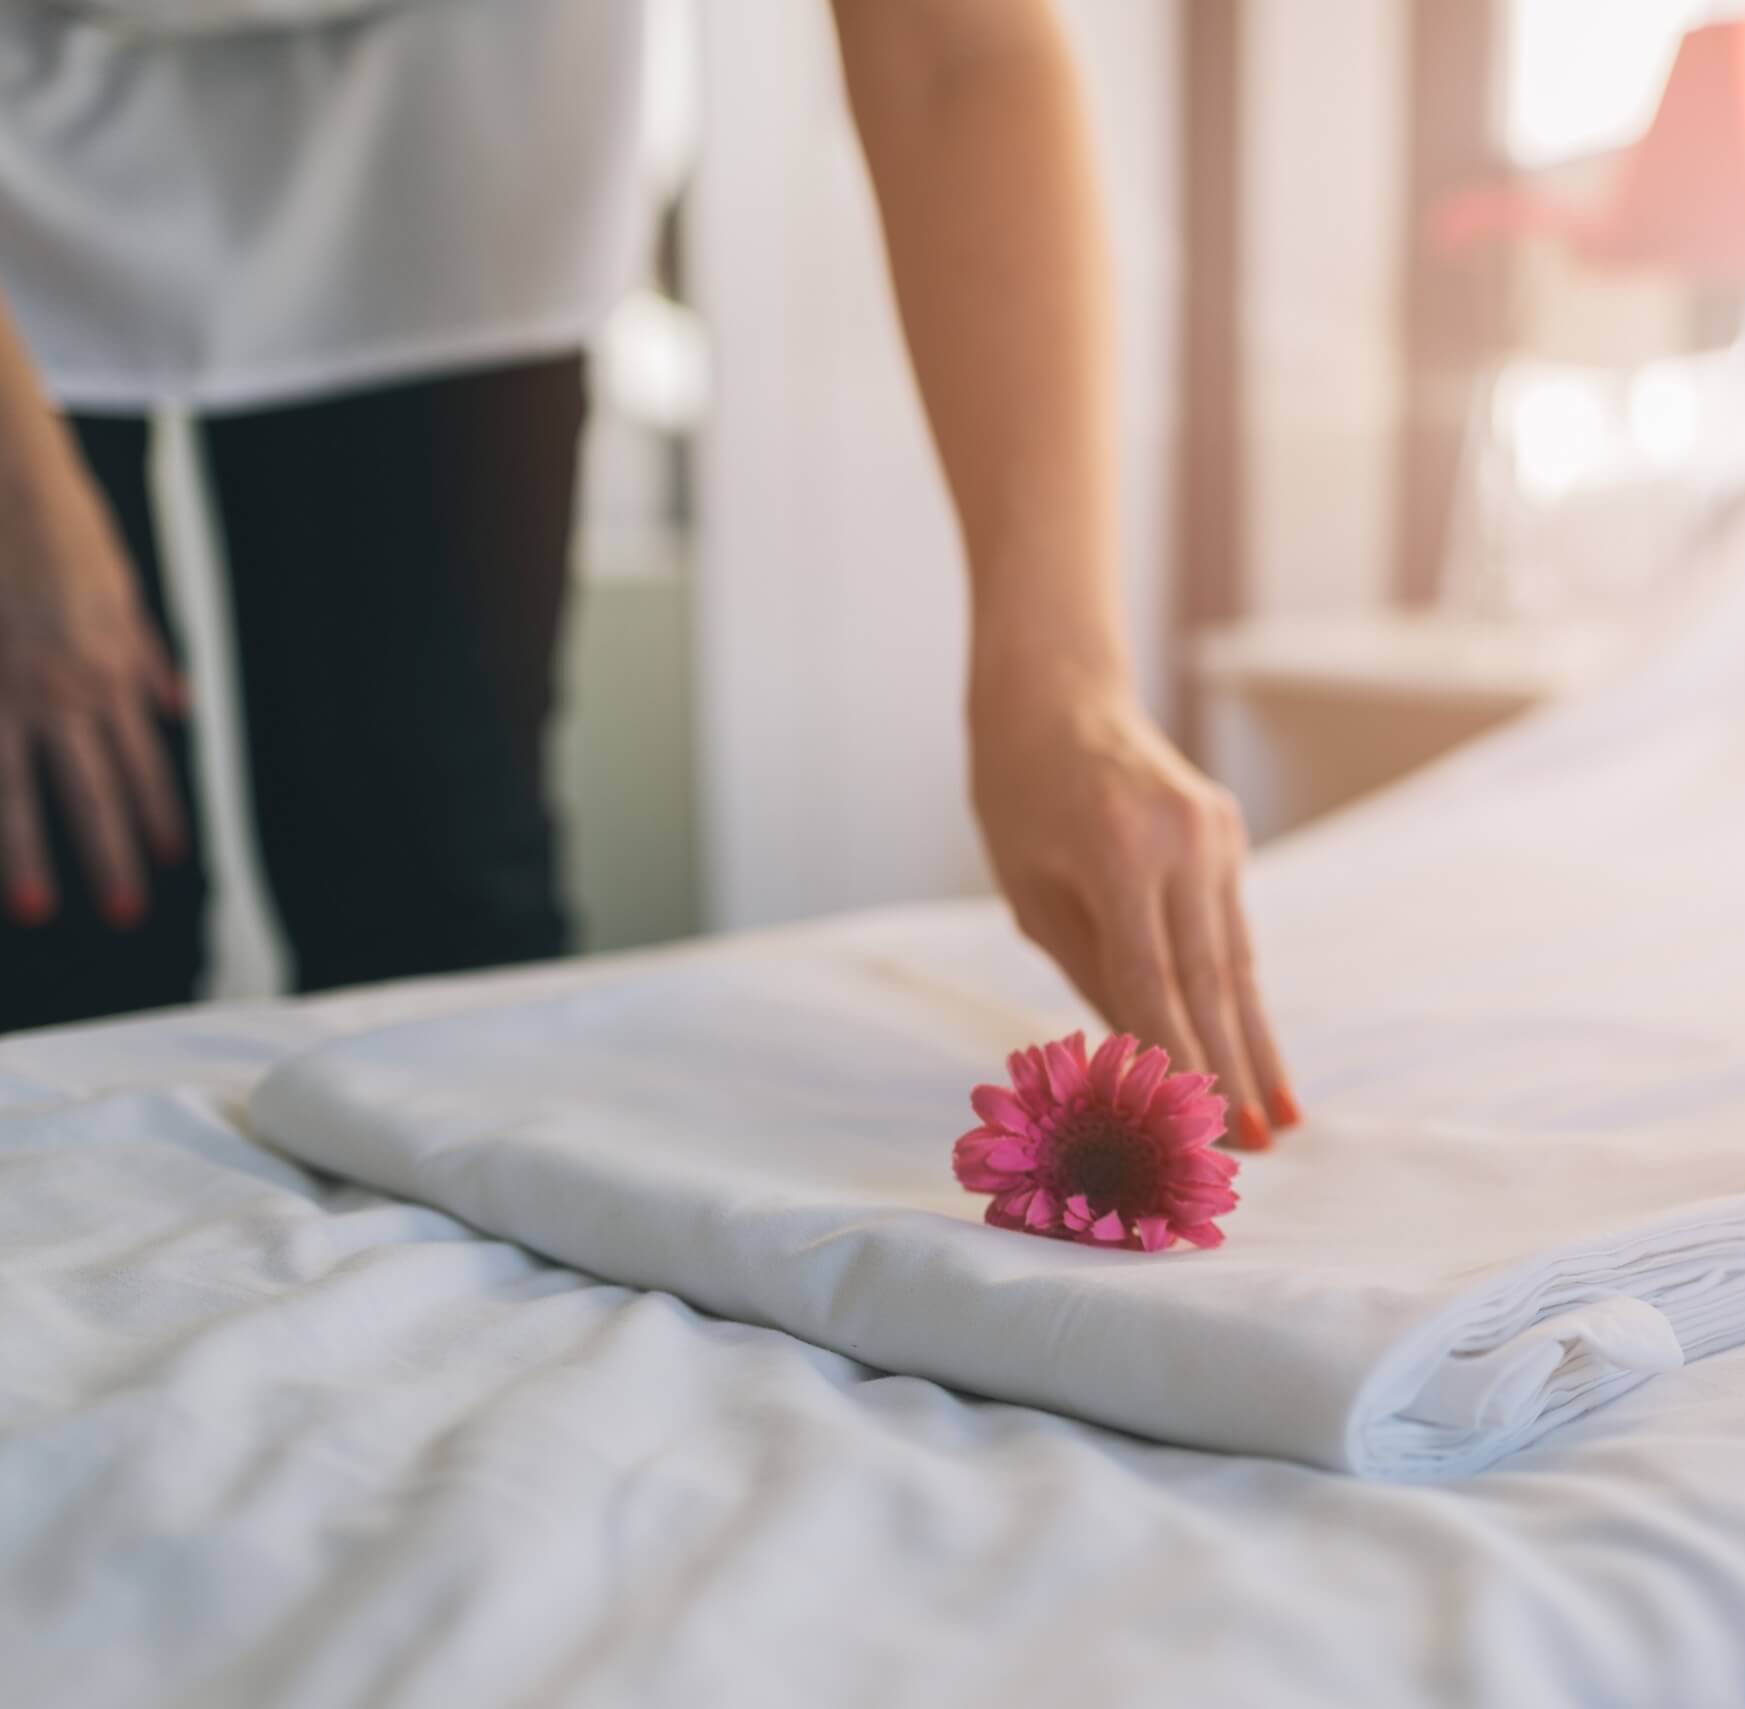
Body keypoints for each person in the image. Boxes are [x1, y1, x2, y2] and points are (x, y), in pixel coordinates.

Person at [0, 0, 1296, 1147]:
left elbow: (960, 48)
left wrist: (1061, 676)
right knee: (57, 906)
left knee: (436, 898)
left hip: (456, 104)